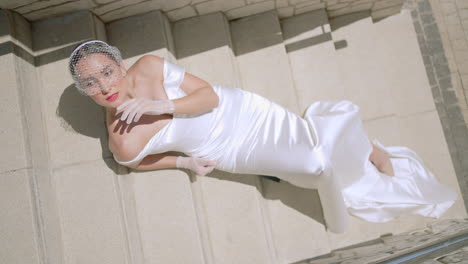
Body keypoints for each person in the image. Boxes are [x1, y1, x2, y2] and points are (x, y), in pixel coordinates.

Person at [68, 40, 458, 233]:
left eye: (106, 72)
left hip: (245, 112)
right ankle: (352, 164)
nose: (104, 86)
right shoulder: (123, 140)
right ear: (85, 91)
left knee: (307, 139)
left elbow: (210, 96)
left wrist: (162, 107)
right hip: (233, 148)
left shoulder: (151, 67)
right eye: (90, 83)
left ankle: (365, 151)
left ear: (119, 64)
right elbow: (134, 163)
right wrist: (183, 161)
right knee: (312, 163)